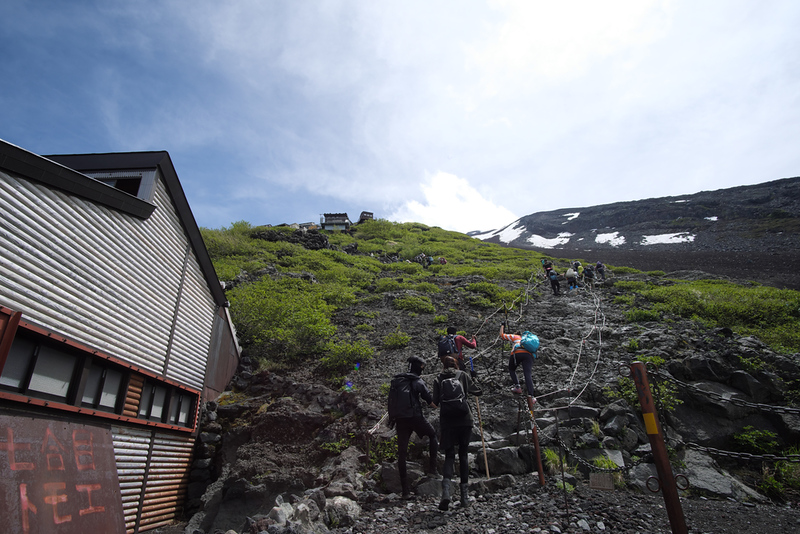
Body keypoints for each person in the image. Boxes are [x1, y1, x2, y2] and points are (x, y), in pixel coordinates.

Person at [433, 356, 482, 511]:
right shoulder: (462, 375)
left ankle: (446, 493)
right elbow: (478, 392)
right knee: (463, 455)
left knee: (449, 455)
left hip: (447, 421)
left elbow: (435, 402)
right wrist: (474, 378)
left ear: (443, 365)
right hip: (464, 419)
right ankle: (464, 497)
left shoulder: (438, 379)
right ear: (455, 364)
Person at [391, 356, 439, 499]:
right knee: (432, 435)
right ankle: (432, 469)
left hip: (400, 419)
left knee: (402, 453)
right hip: (415, 417)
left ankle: (405, 491)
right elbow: (430, 401)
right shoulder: (418, 381)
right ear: (420, 368)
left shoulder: (397, 381)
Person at [499, 323, 537, 412]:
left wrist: (502, 326)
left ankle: (517, 387)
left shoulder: (516, 337)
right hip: (528, 355)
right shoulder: (528, 341)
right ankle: (531, 396)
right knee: (527, 374)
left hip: (517, 353)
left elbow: (502, 335)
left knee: (512, 369)